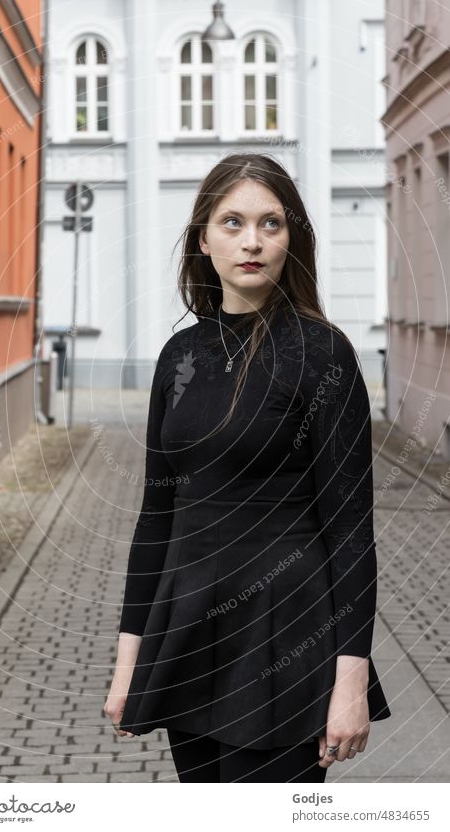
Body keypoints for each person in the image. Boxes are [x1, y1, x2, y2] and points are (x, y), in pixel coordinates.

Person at [103, 152, 391, 783]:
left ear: (292, 238)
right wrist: (130, 665)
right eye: (232, 223)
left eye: (271, 223)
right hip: (191, 633)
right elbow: (156, 520)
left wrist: (351, 681)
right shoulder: (180, 355)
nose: (252, 241)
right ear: (203, 239)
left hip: (284, 635)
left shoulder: (324, 353)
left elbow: (349, 532)